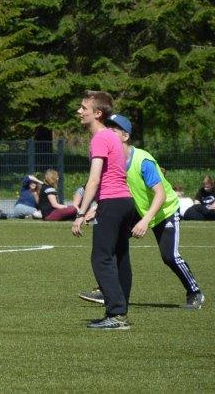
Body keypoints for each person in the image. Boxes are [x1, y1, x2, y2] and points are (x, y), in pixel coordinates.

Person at [92, 115, 202, 308]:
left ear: (125, 136)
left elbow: (159, 195)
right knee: (113, 244)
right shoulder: (113, 160)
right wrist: (96, 208)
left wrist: (145, 221)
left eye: (114, 130)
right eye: (107, 129)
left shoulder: (143, 160)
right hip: (139, 209)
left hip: (164, 210)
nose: (109, 133)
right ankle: (109, 291)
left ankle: (194, 292)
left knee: (170, 256)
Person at [71, 90, 138, 330]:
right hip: (124, 203)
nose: (79, 111)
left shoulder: (100, 138)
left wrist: (81, 212)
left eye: (83, 108)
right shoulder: (113, 137)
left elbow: (95, 179)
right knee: (120, 257)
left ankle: (116, 314)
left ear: (97, 113)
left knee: (101, 258)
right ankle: (120, 311)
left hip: (112, 202)